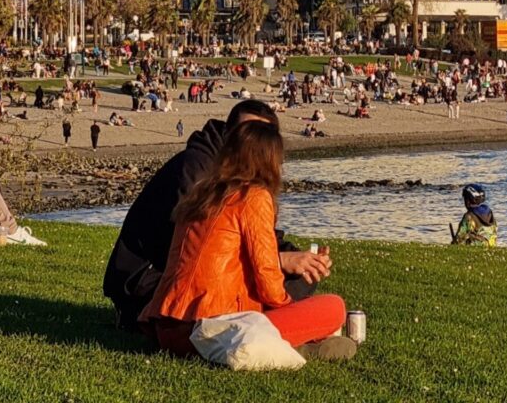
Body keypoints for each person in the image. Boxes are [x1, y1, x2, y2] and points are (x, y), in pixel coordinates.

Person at [104, 100, 331, 331]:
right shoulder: (201, 171)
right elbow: (195, 249)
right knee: (328, 306)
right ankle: (274, 331)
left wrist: (295, 256)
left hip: (185, 300)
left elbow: (251, 233)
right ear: (230, 132)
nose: (251, 142)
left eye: (260, 136)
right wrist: (279, 266)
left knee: (302, 271)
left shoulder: (236, 180)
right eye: (246, 133)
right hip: (149, 278)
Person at [140, 120, 356, 361]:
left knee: (298, 310)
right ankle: (292, 345)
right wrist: (290, 309)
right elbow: (268, 282)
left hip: (168, 328)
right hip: (213, 330)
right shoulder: (254, 196)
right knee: (333, 307)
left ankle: (289, 346)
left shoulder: (202, 192)